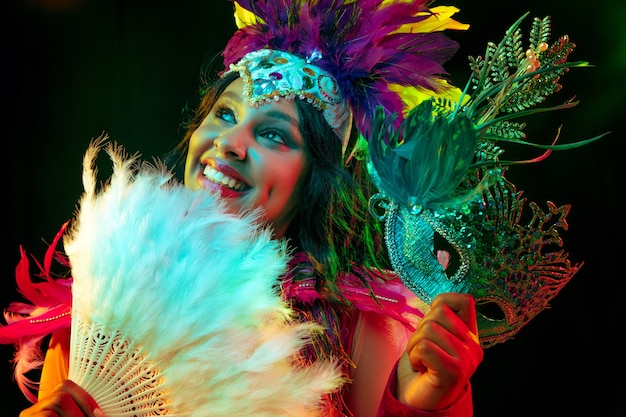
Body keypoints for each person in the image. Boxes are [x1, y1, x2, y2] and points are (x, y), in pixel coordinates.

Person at [4, 0, 594, 415]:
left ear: (314, 181)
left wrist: (422, 403)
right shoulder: (103, 299)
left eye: (274, 136)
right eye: (226, 115)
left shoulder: (360, 327)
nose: (231, 145)